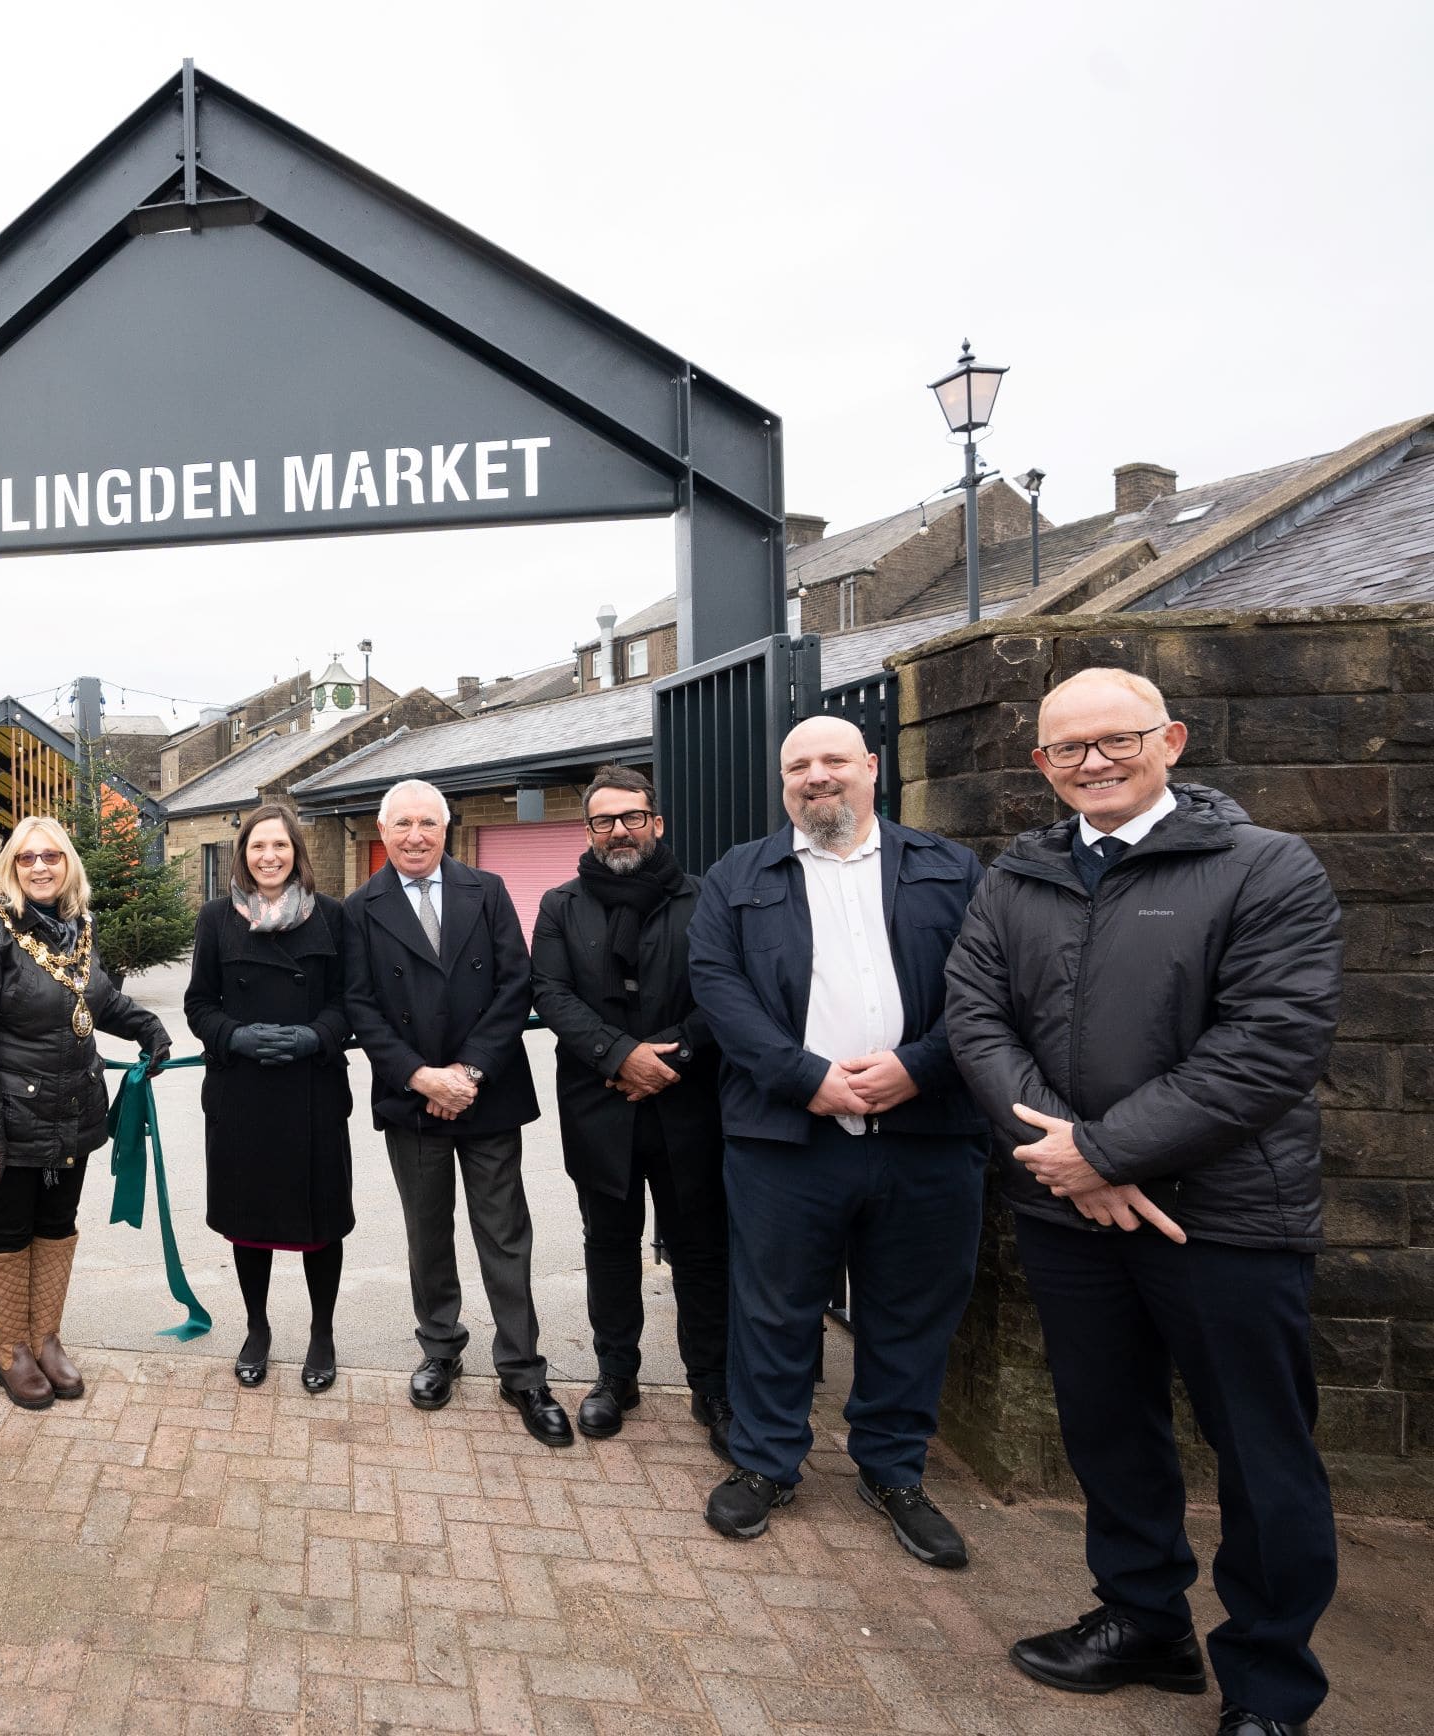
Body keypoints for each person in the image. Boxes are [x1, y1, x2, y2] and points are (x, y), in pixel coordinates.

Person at [944, 668, 1342, 1736]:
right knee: (1107, 1426)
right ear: (1040, 764)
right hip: (1069, 1212)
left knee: (1260, 1450)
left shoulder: (1264, 866)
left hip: (1224, 1217)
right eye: (1066, 748)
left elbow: (1268, 1046)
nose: (1091, 762)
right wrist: (1069, 1160)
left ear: (1167, 737)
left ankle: (1267, 1683)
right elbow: (976, 1023)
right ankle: (1141, 1617)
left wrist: (1105, 1152)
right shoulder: (1014, 878)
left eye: (1114, 739)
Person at [687, 716, 988, 1565]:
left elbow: (989, 986)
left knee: (911, 1307)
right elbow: (718, 987)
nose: (816, 777)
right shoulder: (737, 877)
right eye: (798, 766)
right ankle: (765, 1461)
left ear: (871, 768)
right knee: (774, 1305)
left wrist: (919, 1068)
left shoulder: (950, 869)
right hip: (787, 1136)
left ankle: (892, 1469)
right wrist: (804, 1077)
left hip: (925, 1130)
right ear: (783, 782)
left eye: (832, 761)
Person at [344, 778, 570, 1448]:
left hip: (485, 1092)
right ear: (383, 832)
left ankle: (523, 1369)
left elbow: (514, 984)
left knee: (505, 1233)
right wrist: (421, 1077)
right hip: (412, 1097)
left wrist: (465, 1073)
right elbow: (359, 1005)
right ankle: (440, 1347)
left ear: (446, 829)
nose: (415, 836)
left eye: (428, 823)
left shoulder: (488, 890)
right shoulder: (359, 908)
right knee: (428, 1232)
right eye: (402, 824)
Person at [530, 767, 732, 1450]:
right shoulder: (561, 905)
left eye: (632, 817)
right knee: (609, 1247)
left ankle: (713, 1384)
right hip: (601, 1105)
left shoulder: (705, 899)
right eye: (603, 820)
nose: (618, 830)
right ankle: (616, 1376)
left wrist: (668, 1061)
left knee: (702, 1250)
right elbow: (551, 995)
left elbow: (726, 992)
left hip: (688, 1105)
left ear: (657, 823)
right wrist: (620, 1055)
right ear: (587, 830)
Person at [0, 817, 170, 1409]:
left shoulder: (79, 929)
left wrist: (147, 1027)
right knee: (8, 1230)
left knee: (57, 1225)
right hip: (8, 1118)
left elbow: (97, 999)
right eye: (27, 859)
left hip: (73, 1111)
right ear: (11, 867)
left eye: (51, 856)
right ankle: (11, 1351)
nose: (41, 867)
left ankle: (45, 1339)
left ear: (68, 863)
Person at [183, 802, 353, 1392]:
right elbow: (198, 1003)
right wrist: (236, 1036)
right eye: (258, 847)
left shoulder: (332, 915)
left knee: (319, 1223)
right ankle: (256, 1328)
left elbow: (350, 1001)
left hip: (312, 1091)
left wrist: (315, 1037)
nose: (269, 857)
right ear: (243, 855)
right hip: (242, 1094)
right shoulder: (215, 919)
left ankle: (322, 1333)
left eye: (279, 846)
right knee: (248, 1224)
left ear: (296, 852)